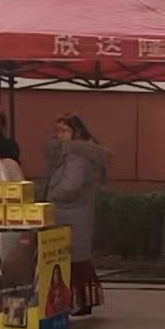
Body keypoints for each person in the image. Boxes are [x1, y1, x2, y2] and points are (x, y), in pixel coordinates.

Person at [45, 114, 111, 317]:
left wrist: (51, 196)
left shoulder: (77, 158)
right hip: (72, 215)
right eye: (57, 130)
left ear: (76, 133)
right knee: (77, 262)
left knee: (76, 262)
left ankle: (82, 302)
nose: (59, 135)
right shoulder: (69, 155)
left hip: (71, 216)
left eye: (64, 131)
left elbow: (70, 186)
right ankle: (84, 301)